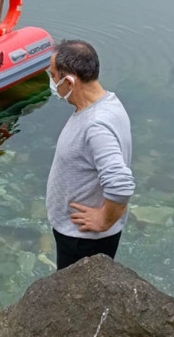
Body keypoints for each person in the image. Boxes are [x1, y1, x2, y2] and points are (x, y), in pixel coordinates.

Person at [45, 39, 135, 270]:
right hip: (80, 235)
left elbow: (121, 184)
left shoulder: (96, 126)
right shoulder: (108, 102)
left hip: (82, 240)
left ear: (70, 80)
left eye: (54, 76)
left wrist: (104, 218)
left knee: (71, 299)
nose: (52, 82)